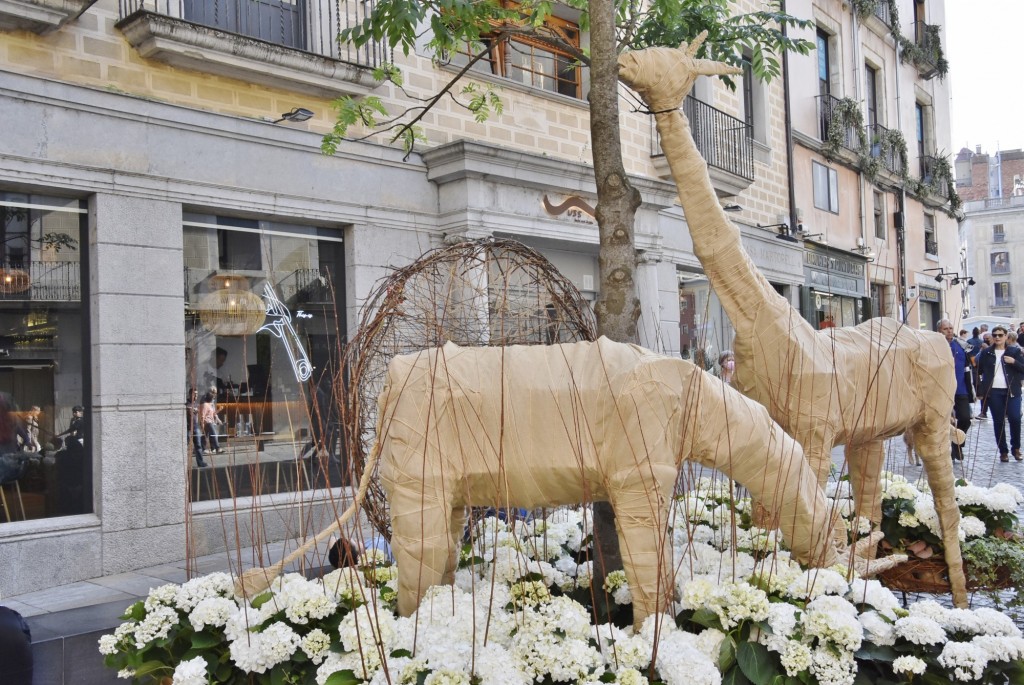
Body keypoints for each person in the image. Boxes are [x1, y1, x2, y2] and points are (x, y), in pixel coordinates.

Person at [977, 326, 1024, 462]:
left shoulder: (1014, 351)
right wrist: (980, 389)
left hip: (1012, 390)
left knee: (1015, 418)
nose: (997, 337)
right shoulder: (986, 352)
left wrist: (1014, 362)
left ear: (1006, 336)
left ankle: (1016, 448)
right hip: (994, 392)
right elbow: (978, 370)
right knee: (998, 421)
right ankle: (1003, 451)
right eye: (995, 335)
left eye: (1000, 335)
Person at [939, 319, 971, 461]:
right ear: (939, 331)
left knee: (965, 419)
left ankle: (957, 443)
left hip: (960, 389)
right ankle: (949, 450)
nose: (949, 331)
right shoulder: (936, 346)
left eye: (951, 328)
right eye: (945, 328)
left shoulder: (960, 345)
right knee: (946, 421)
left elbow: (968, 367)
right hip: (942, 390)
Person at [186, 389, 208, 467]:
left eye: (197, 394)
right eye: (194, 394)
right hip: (188, 428)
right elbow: (187, 409)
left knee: (198, 445)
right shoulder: (187, 403)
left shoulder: (196, 404)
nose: (196, 396)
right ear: (190, 394)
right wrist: (191, 409)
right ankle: (184, 463)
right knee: (186, 444)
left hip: (196, 427)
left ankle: (200, 462)